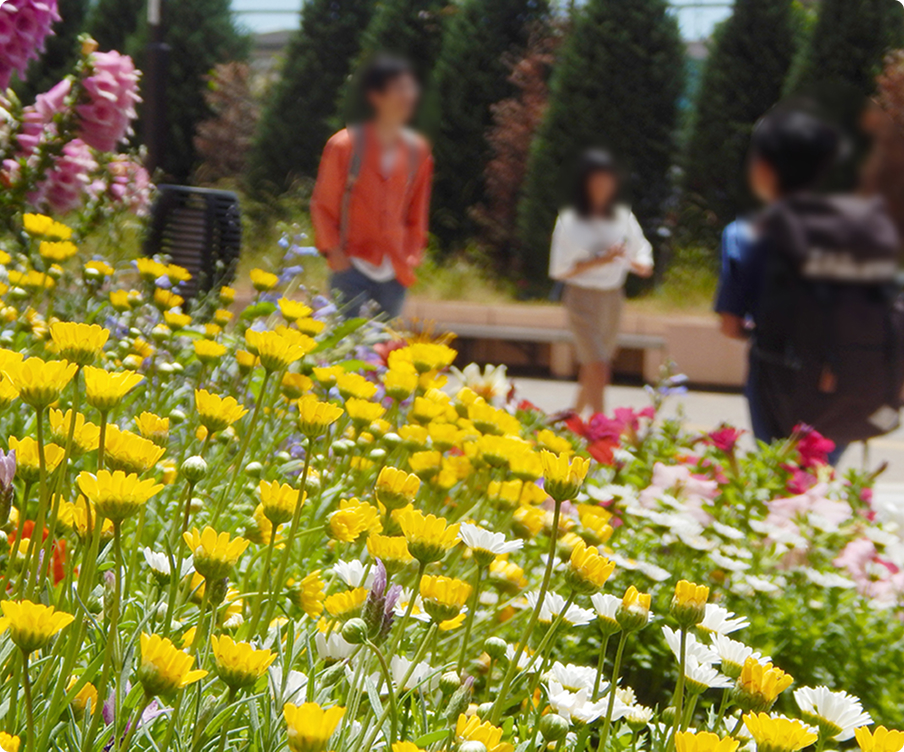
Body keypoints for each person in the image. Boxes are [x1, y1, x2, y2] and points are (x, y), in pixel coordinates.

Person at [715, 106, 901, 464]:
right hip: (853, 382)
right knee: (820, 484)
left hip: (778, 385)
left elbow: (730, 325)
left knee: (779, 484)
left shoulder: (745, 235)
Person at [311, 55, 434, 319]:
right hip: (351, 266)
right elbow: (323, 205)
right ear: (375, 96)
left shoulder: (419, 152)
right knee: (346, 351)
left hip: (396, 270)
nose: (408, 96)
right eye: (399, 89)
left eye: (411, 89)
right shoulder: (344, 146)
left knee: (384, 351)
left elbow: (417, 213)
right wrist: (335, 254)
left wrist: (412, 255)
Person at [549, 150, 654, 415]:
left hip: (613, 297)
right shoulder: (570, 220)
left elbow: (640, 246)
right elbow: (560, 270)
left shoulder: (622, 216)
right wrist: (601, 260)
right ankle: (600, 427)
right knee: (598, 365)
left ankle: (573, 416)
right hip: (582, 298)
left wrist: (642, 262)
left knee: (596, 364)